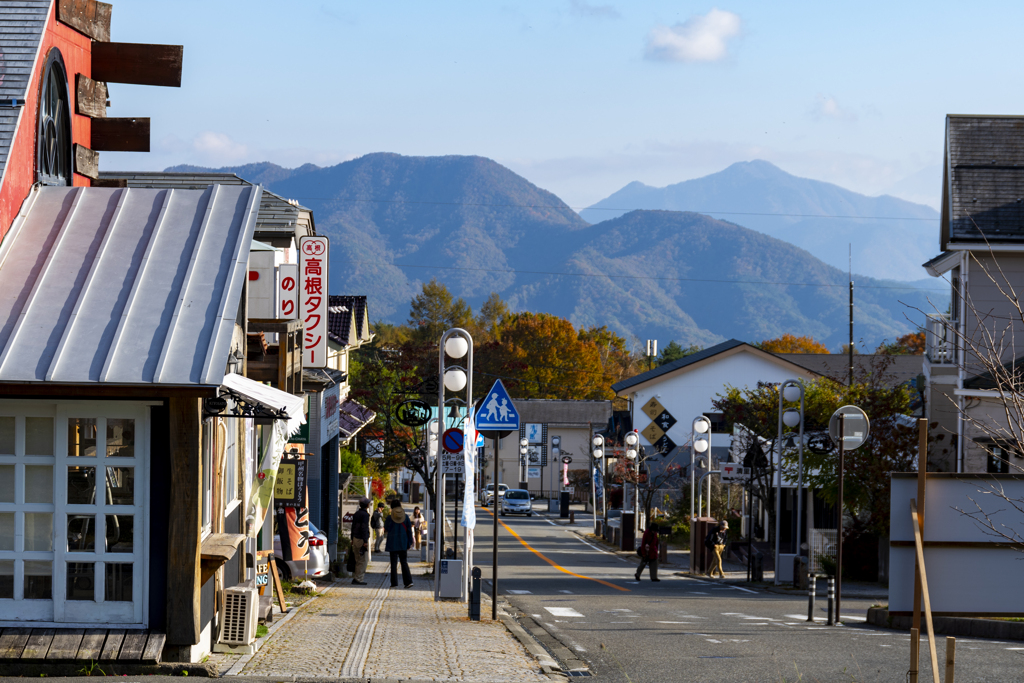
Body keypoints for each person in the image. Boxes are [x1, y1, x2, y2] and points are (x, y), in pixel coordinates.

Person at [384, 499, 415, 588]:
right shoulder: (406, 517)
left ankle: (394, 583)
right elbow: (409, 531)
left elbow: (386, 528)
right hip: (403, 543)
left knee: (393, 563)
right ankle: (408, 582)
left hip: (392, 543)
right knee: (404, 562)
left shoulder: (390, 518)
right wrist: (409, 543)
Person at [350, 497, 371, 585]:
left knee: (357, 559)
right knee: (363, 560)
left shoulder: (356, 514)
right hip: (361, 539)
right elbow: (364, 528)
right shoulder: (365, 515)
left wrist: (352, 538)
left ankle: (356, 577)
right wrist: (365, 541)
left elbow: (353, 526)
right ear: (366, 505)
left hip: (355, 538)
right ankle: (358, 579)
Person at [635, 516, 661, 582]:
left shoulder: (655, 534)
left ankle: (654, 577)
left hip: (653, 552)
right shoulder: (646, 533)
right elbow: (643, 543)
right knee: (643, 564)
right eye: (654, 530)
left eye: (655, 531)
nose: (655, 532)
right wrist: (643, 553)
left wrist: (657, 551)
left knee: (654, 565)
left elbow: (656, 542)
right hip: (647, 552)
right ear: (651, 529)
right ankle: (637, 574)